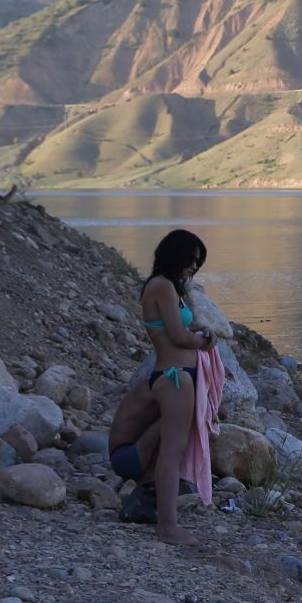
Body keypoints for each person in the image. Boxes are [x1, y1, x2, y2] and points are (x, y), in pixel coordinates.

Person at [108, 229, 217, 548]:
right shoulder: (160, 286)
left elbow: (183, 330)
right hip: (173, 375)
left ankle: (149, 502)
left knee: (188, 435)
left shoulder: (171, 288)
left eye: (198, 264)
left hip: (178, 376)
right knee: (174, 450)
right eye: (191, 261)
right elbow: (181, 337)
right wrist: (205, 341)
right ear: (175, 256)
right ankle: (168, 527)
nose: (193, 268)